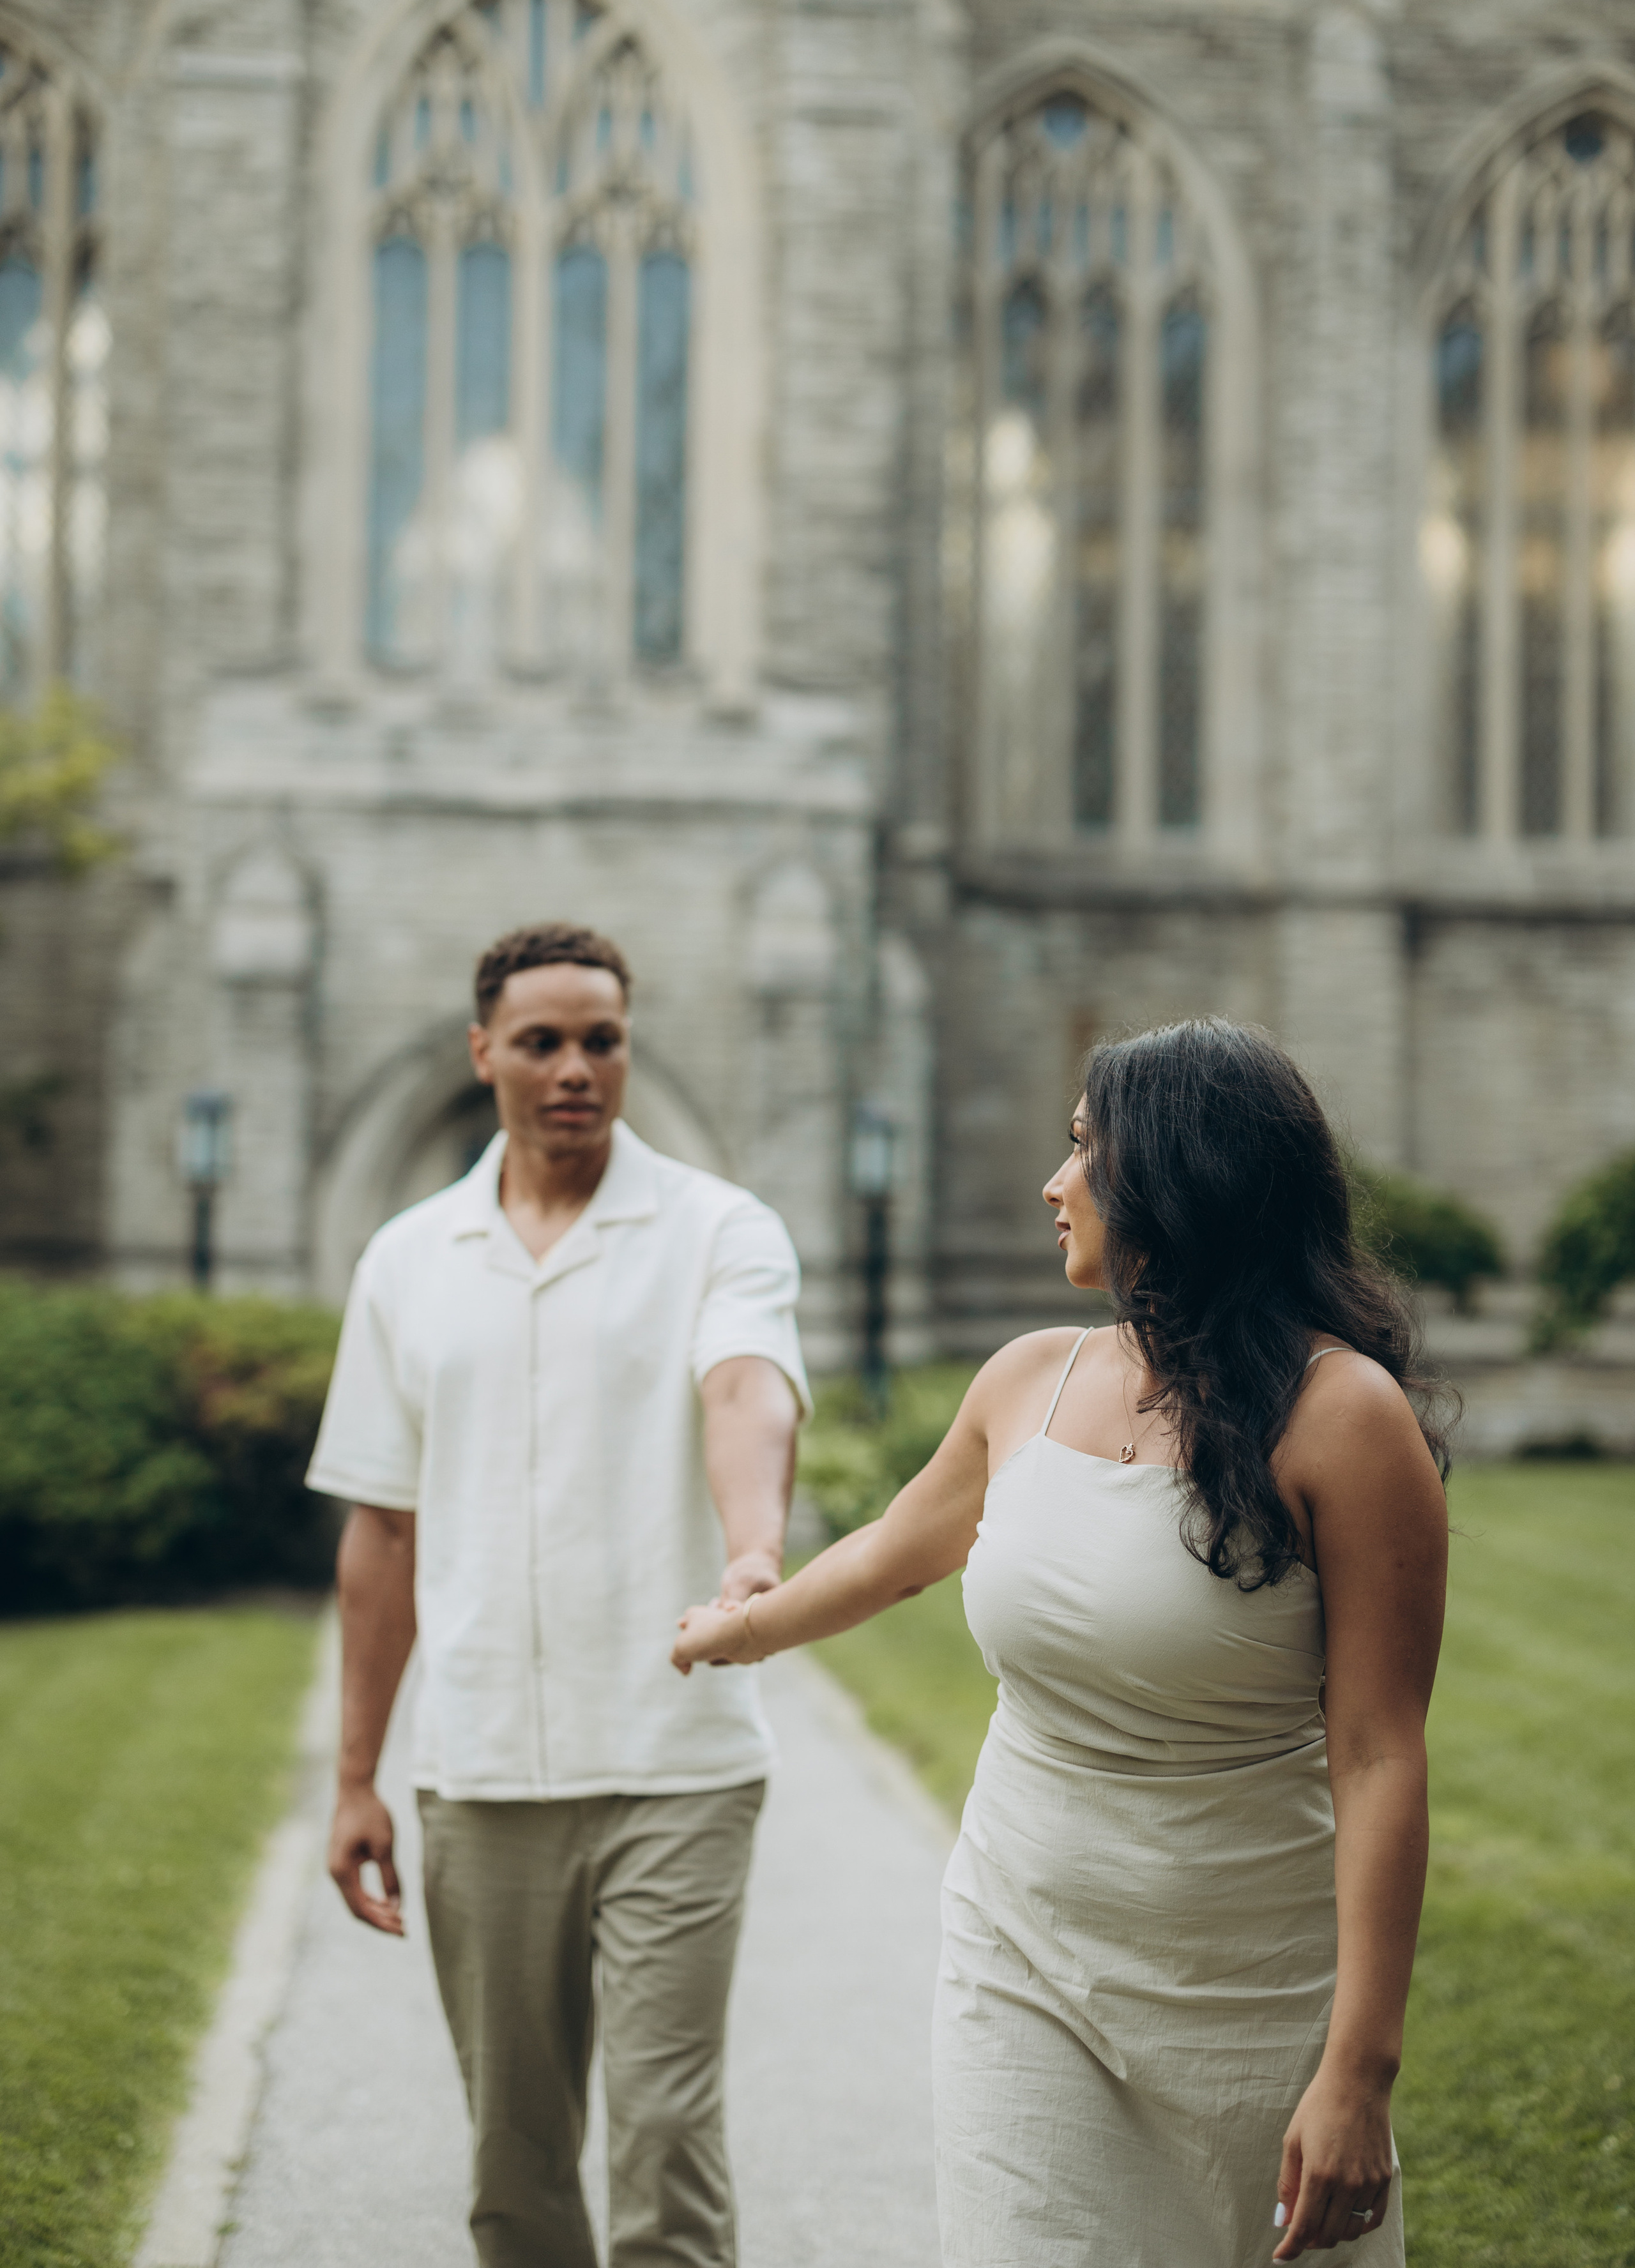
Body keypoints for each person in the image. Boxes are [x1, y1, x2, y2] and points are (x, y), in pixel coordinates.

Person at [674, 1019, 1450, 2267]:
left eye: (1085, 1148)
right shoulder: (1028, 1376)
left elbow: (1375, 1757)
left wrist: (1356, 2073)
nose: (1053, 1182)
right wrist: (746, 1623)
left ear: (1176, 1176)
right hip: (1018, 1953)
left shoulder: (1341, 1418)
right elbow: (896, 1547)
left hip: (1247, 1986)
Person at [307, 920, 809, 2268]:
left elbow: (745, 1387)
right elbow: (382, 1528)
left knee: (663, 2147)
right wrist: (358, 1776)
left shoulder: (719, 1229)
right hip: (480, 1780)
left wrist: (752, 1548)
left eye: (602, 1040)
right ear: (484, 1055)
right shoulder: (407, 1260)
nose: (575, 1068)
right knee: (512, 2170)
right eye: (542, 1042)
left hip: (677, 1770)